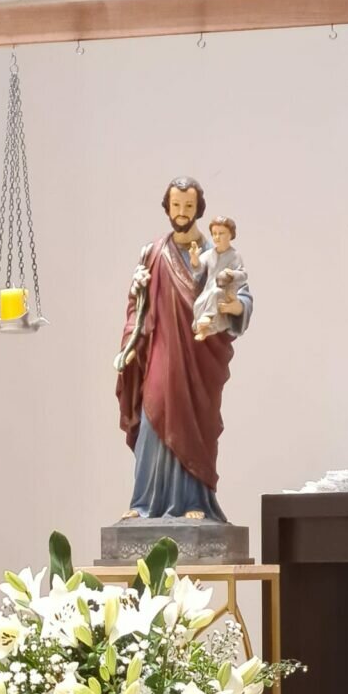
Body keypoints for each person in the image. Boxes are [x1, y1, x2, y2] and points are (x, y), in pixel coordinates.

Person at [114, 176, 253, 522]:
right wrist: (130, 341)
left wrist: (236, 307)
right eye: (176, 205)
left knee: (195, 424)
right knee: (154, 414)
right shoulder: (153, 253)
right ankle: (144, 502)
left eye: (188, 206)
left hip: (200, 357)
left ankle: (195, 500)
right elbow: (137, 304)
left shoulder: (215, 252)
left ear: (198, 209)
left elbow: (241, 292)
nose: (181, 212)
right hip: (161, 351)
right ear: (167, 207)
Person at [190, 217, 248, 341]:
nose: (217, 237)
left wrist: (232, 274)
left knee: (216, 294)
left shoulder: (234, 255)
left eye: (221, 233)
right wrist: (194, 259)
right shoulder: (209, 254)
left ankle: (207, 317)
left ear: (230, 235)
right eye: (214, 234)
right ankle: (204, 330)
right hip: (209, 289)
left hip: (226, 291)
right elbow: (198, 269)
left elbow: (243, 275)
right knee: (198, 303)